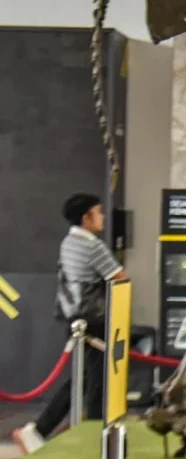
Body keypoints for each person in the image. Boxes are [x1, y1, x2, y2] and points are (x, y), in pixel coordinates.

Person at [13, 194, 128, 455]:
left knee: (83, 379)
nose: (103, 217)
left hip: (75, 320)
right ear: (87, 217)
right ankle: (94, 435)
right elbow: (120, 277)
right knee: (96, 381)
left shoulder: (69, 242)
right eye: (98, 212)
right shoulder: (92, 246)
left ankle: (40, 430)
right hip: (96, 321)